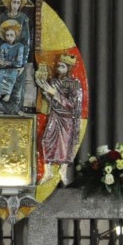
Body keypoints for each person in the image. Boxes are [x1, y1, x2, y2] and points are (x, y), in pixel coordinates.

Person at [35, 54, 84, 185]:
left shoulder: (74, 84)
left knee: (65, 144)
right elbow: (52, 102)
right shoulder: (54, 82)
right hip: (55, 115)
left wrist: (54, 93)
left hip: (67, 118)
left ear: (68, 68)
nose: (59, 69)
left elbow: (72, 105)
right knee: (46, 141)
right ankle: (48, 172)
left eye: (62, 67)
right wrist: (46, 91)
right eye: (58, 66)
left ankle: (63, 171)